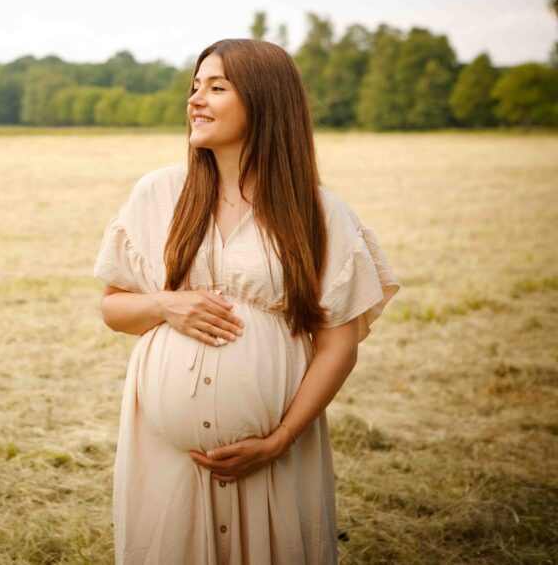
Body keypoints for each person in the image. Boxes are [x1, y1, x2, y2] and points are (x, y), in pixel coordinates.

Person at [94, 39, 399, 564]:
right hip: (167, 457)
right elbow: (113, 307)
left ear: (265, 101)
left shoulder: (320, 213)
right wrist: (166, 305)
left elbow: (338, 346)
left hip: (275, 458)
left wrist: (280, 439)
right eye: (194, 87)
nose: (195, 100)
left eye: (216, 87)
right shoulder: (158, 193)